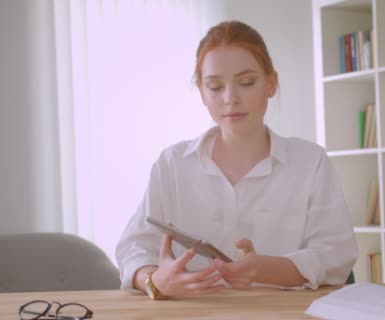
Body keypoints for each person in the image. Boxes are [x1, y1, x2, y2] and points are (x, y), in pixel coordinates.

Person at [115, 20, 358, 299]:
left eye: (246, 82)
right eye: (215, 87)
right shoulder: (172, 164)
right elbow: (134, 249)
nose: (230, 98)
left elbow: (336, 256)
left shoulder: (310, 161)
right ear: (202, 93)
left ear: (271, 84)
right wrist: (155, 280)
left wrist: (263, 269)